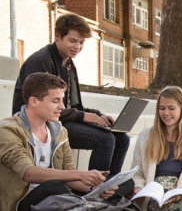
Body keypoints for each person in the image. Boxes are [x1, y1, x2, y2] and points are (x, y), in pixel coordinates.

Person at [0, 72, 126, 211]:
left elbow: (69, 175)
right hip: (20, 209)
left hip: (57, 200)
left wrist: (95, 189)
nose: (62, 107)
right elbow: (28, 173)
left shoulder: (59, 131)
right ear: (34, 101)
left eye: (62, 100)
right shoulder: (8, 130)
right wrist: (81, 175)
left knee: (124, 184)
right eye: (55, 101)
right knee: (54, 186)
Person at [12, 14, 129, 178]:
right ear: (58, 37)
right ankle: (95, 191)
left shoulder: (68, 63)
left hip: (60, 119)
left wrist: (97, 115)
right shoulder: (40, 61)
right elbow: (40, 107)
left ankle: (110, 186)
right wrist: (82, 116)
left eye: (81, 42)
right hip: (39, 124)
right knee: (105, 139)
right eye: (73, 41)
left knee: (122, 138)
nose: (77, 47)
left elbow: (72, 106)